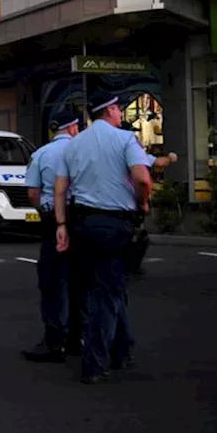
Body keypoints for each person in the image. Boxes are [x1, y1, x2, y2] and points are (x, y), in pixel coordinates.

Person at [53, 94, 153, 384]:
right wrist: (143, 203)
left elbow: (60, 188)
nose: (121, 112)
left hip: (81, 223)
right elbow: (143, 179)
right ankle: (94, 363)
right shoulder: (125, 140)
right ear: (110, 110)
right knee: (107, 294)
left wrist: (61, 224)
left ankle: (123, 350)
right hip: (114, 224)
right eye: (119, 108)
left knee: (106, 287)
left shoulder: (74, 145)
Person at [21, 110, 82, 363]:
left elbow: (33, 194)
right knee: (80, 280)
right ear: (73, 128)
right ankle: (78, 339)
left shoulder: (41, 154)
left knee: (52, 282)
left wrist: (46, 214)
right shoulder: (82, 151)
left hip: (52, 221)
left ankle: (54, 342)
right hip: (82, 218)